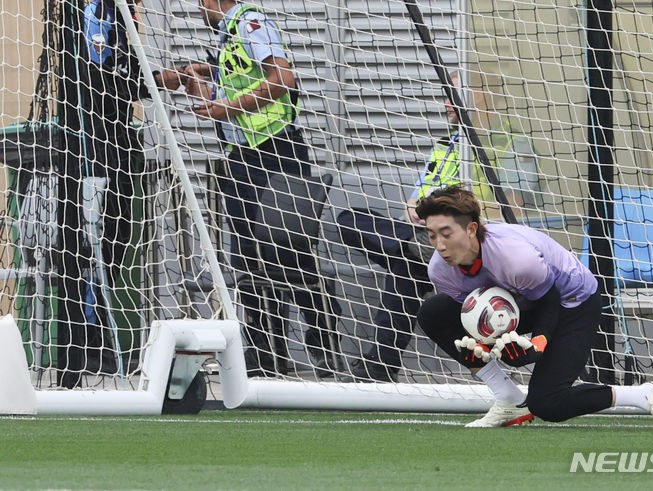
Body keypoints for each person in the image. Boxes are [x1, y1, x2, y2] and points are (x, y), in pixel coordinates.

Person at [413, 185, 653, 429]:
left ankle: (645, 394)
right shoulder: (439, 270)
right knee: (433, 311)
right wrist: (484, 346)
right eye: (432, 235)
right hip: (517, 303)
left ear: (471, 229)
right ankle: (508, 398)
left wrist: (537, 344)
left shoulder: (516, 259)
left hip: (571, 302)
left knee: (548, 404)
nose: (439, 245)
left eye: (446, 234)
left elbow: (548, 299)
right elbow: (476, 311)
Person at [338, 72, 540, 382]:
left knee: (404, 268)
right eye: (445, 94)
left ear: (481, 97)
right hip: (430, 238)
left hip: (477, 245)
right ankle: (415, 248)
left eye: (452, 94)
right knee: (349, 219)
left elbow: (513, 210)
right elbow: (411, 205)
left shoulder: (510, 142)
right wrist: (420, 213)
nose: (445, 103)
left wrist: (448, 217)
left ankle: (379, 366)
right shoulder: (446, 145)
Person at [182, 0, 340, 377]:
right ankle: (266, 354)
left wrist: (228, 108)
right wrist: (200, 83)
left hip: (277, 149)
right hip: (240, 155)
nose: (196, 7)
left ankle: (323, 350)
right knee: (246, 256)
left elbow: (282, 79)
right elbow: (235, 81)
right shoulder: (225, 38)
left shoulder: (251, 22)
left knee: (292, 250)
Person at [57, 0, 189, 388]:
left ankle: (96, 328)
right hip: (89, 147)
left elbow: (129, 73)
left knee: (116, 241)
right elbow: (100, 77)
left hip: (120, 146)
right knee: (85, 242)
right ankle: (80, 344)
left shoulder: (125, 14)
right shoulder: (90, 12)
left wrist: (170, 78)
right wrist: (149, 79)